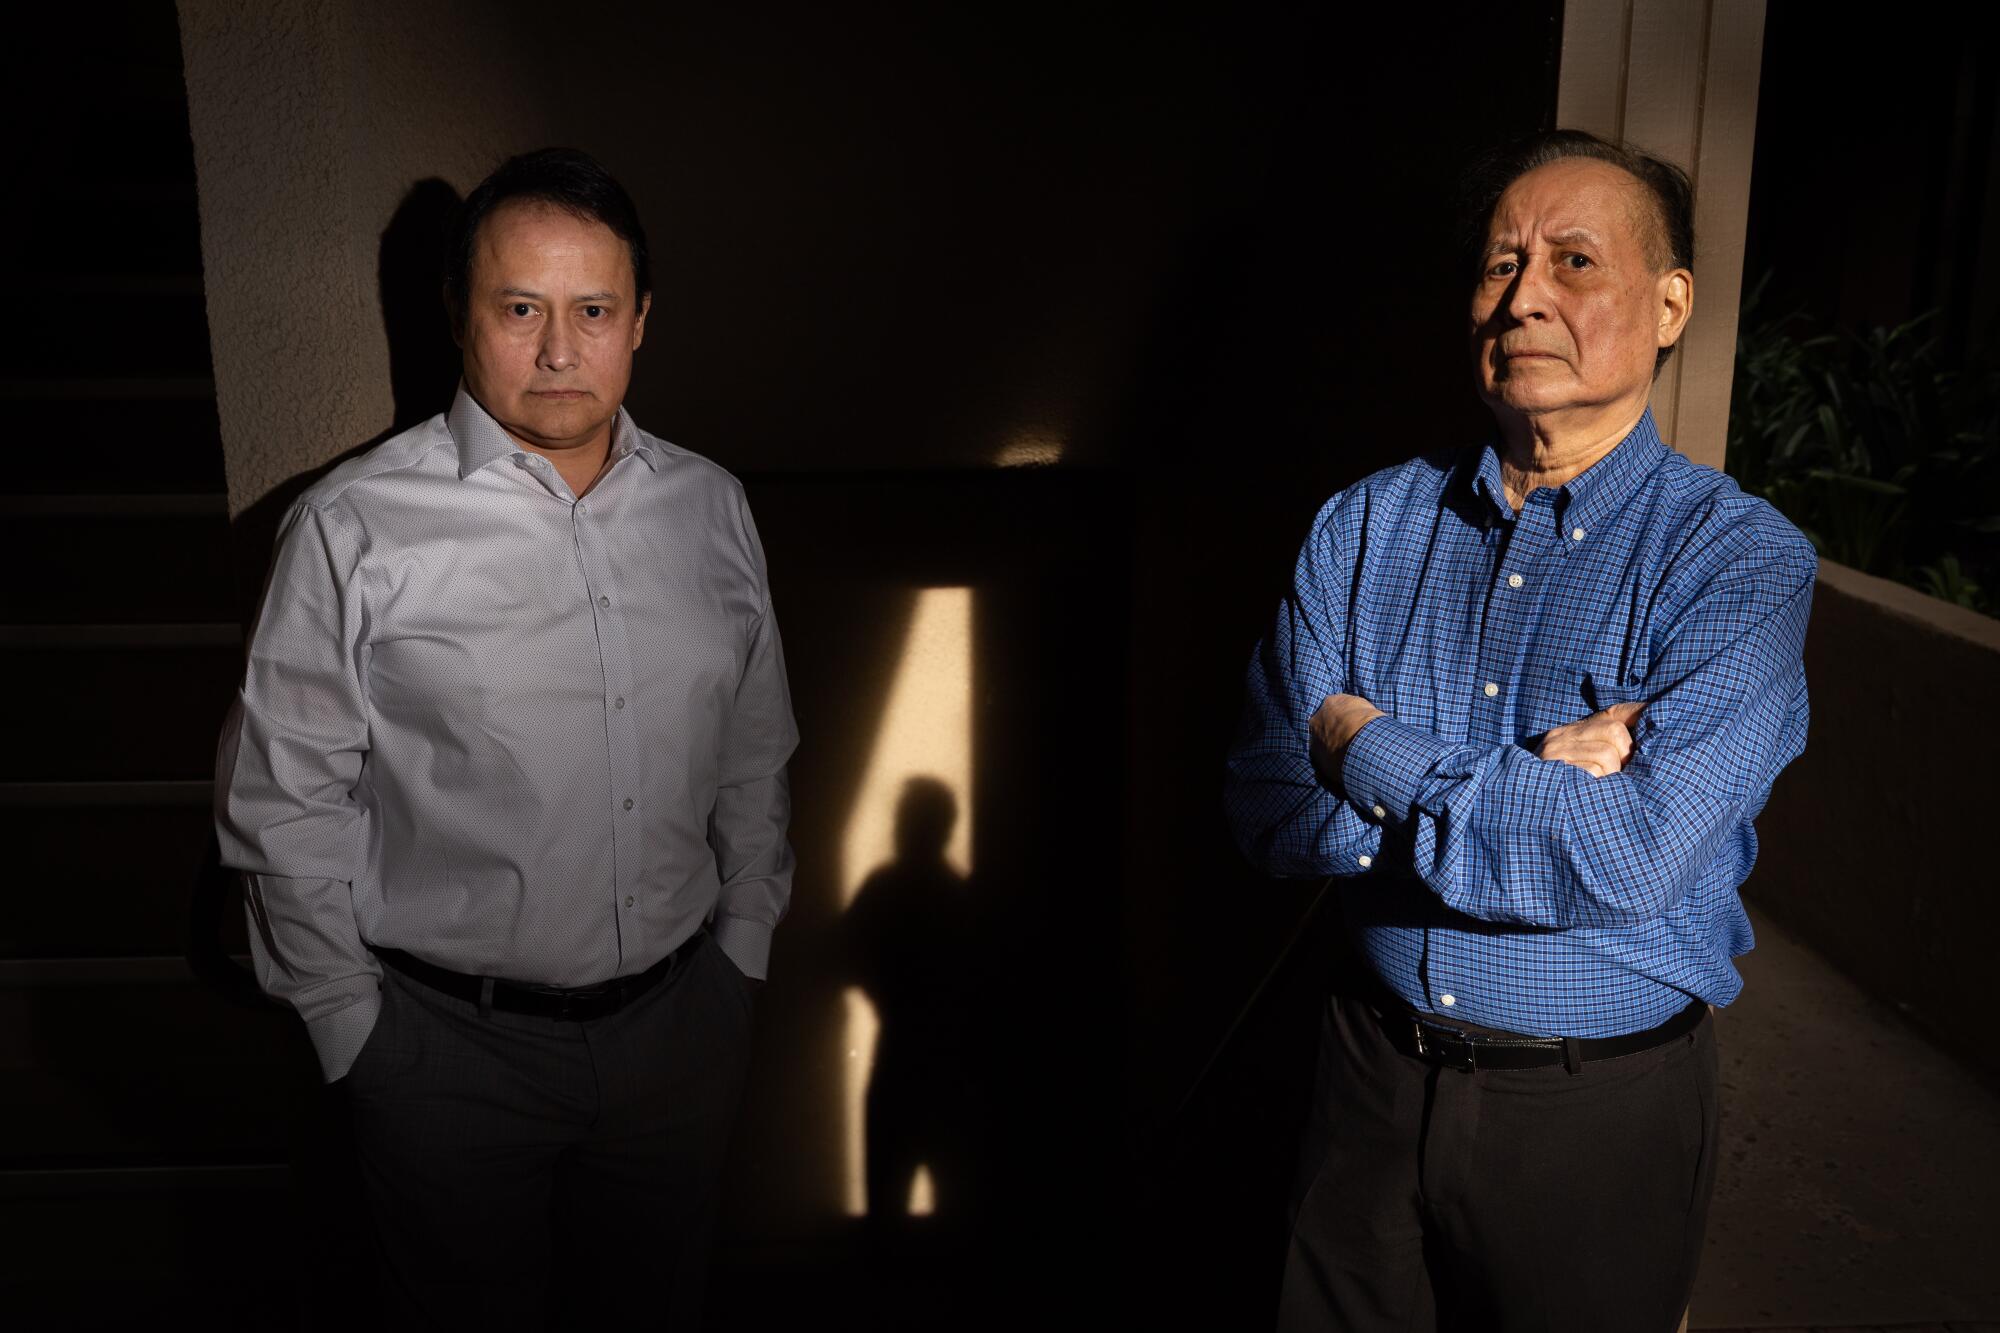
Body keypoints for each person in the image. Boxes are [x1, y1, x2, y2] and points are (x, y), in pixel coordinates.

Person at [1224, 129, 1816, 1331]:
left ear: (1667, 304)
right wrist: (1522, 789)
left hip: (1593, 1115)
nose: (1523, 297)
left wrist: (1364, 746)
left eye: (1572, 262)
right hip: (1364, 1078)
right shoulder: (1362, 527)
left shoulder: (1736, 563)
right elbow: (1265, 805)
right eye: (1499, 264)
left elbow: (1629, 854)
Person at [215, 147, 798, 1329]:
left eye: (592, 311)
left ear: (640, 321)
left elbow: (752, 751)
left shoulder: (711, 506)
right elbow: (282, 801)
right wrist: (354, 1035)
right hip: (444, 1059)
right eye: (519, 308)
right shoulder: (351, 527)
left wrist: (740, 952)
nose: (557, 349)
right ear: (458, 316)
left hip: (680, 1040)